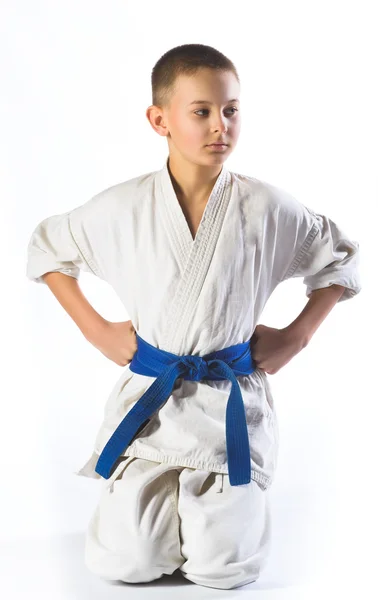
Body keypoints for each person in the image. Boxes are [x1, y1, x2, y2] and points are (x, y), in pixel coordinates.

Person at [26, 43, 361, 590]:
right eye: (201, 110)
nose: (219, 126)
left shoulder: (269, 208)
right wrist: (96, 330)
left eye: (231, 110)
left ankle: (216, 522)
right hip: (152, 409)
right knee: (125, 563)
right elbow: (46, 249)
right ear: (160, 119)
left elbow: (339, 260)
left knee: (225, 569)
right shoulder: (122, 208)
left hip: (229, 407)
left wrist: (297, 337)